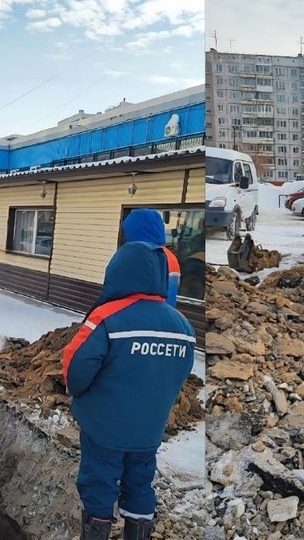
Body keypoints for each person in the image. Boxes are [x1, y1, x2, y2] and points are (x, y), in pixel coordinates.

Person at [62, 239, 196, 540]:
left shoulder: (106, 317)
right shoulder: (184, 327)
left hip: (104, 427)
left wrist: (78, 395)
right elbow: (180, 376)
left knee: (99, 484)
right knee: (140, 484)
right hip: (148, 431)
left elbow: (76, 367)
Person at [85, 209, 181, 315]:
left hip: (126, 317)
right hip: (161, 318)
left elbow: (112, 293)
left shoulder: (136, 256)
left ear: (135, 230)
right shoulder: (170, 257)